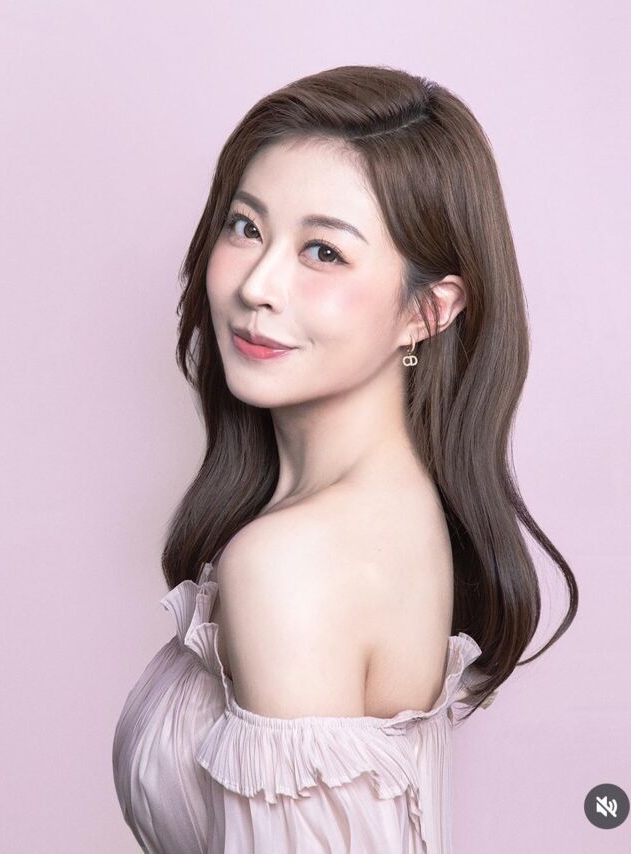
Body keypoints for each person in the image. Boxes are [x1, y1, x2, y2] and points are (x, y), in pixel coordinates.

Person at [112, 64, 577, 853]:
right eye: (245, 226)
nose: (258, 285)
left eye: (323, 251)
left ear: (427, 310)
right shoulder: (398, 511)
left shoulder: (295, 563)